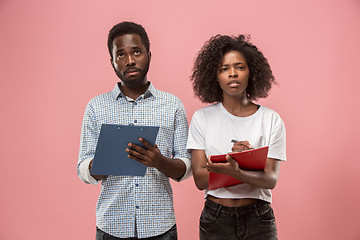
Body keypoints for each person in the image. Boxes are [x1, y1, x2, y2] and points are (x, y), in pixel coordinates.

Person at [77, 21, 191, 240]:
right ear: (112, 61)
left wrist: (159, 161)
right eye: (121, 55)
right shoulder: (95, 107)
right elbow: (83, 168)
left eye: (136, 52)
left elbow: (186, 168)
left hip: (161, 228)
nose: (129, 61)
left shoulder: (173, 105)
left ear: (149, 54)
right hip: (111, 227)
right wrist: (103, 162)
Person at [187, 34, 286, 240]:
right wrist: (239, 166)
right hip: (216, 217)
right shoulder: (201, 118)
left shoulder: (271, 119)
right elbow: (200, 179)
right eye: (224, 69)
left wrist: (234, 170)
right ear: (214, 75)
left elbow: (270, 179)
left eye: (240, 67)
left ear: (252, 72)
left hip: (259, 217)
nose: (233, 74)